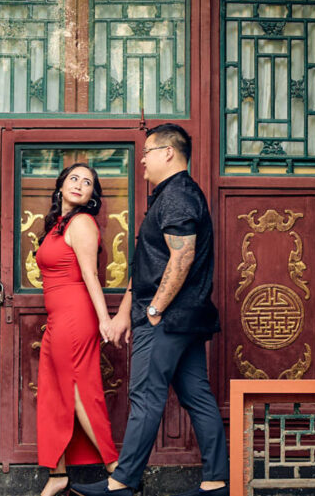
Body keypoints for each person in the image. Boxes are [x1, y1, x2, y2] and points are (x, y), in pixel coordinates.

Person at [72, 124, 228, 496]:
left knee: (144, 395)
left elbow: (182, 255)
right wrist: (128, 311)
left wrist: (155, 309)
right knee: (197, 395)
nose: (141, 160)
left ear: (168, 153)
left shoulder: (178, 194)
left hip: (168, 319)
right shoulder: (170, 195)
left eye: (146, 152)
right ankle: (217, 481)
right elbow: (150, 264)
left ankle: (121, 483)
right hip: (183, 318)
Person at [35, 162, 120, 496]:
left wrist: (104, 320)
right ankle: (57, 474)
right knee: (54, 393)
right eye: (74, 178)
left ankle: (118, 471)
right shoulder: (57, 225)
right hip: (57, 319)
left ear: (90, 197)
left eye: (87, 183)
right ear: (60, 186)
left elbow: (91, 275)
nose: (79, 184)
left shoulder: (82, 223)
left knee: (78, 391)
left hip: (75, 316)